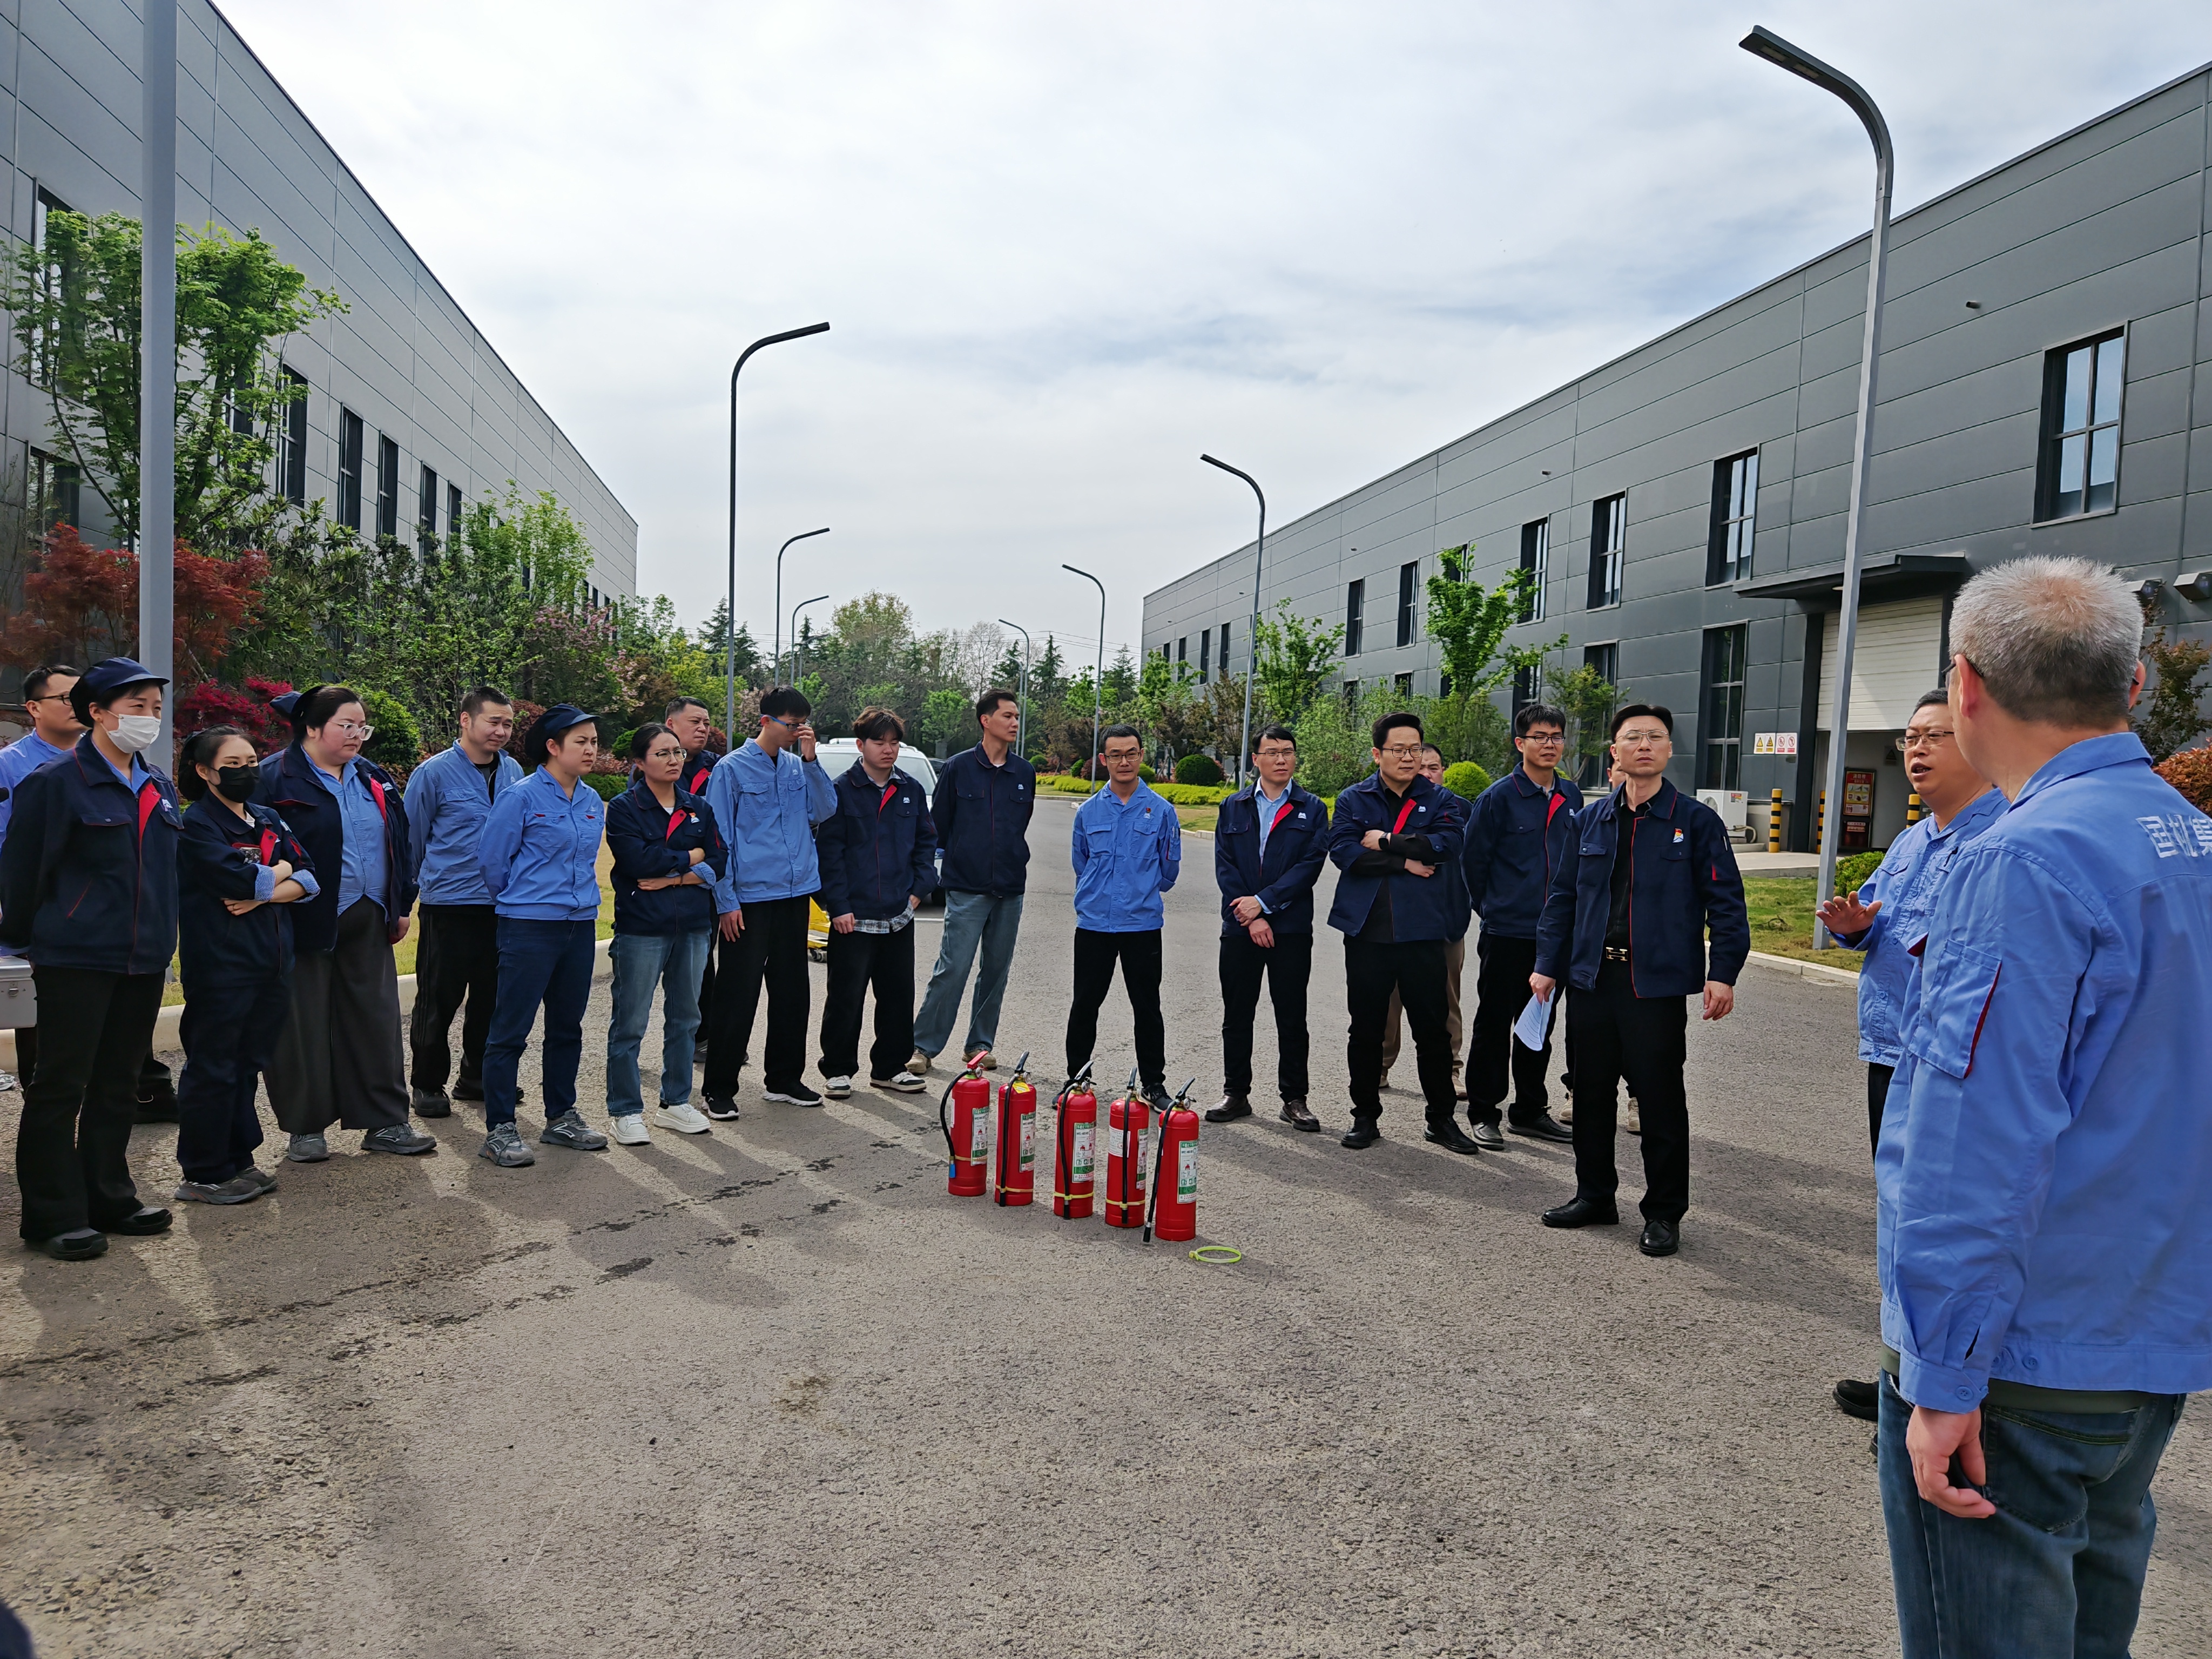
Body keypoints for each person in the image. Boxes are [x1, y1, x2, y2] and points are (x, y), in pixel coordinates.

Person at [1874, 558, 2210, 1659]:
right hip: (2145, 1337)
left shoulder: (2020, 860)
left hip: (2025, 1355)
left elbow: (1971, 1142)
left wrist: (1940, 1374)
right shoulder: (2188, 839)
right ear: (2132, 686)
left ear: (1964, 686)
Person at [1813, 688, 2003, 1424]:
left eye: (1936, 736)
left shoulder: (2001, 841)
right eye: (1910, 737)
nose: (1918, 750)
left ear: (1979, 743)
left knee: (1943, 1228)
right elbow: (1879, 923)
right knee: (1899, 1221)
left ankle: (1941, 1392)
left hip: (1950, 1064)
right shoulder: (1912, 841)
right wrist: (1856, 926)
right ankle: (1902, 1369)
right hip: (1890, 1050)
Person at [1531, 705, 1747, 1256]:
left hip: (1653, 986)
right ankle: (1594, 1195)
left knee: (1658, 1099)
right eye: (1633, 737)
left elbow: (1726, 905)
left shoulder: (1695, 822)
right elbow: (1561, 898)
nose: (1644, 745)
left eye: (1655, 737)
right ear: (1615, 752)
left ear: (1669, 750)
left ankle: (1664, 1212)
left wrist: (1723, 974)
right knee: (1591, 1094)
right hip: (1591, 979)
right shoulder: (1588, 821)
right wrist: (1547, 964)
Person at [0, 658, 183, 1259]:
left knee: (118, 1084)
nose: (149, 717)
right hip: (74, 959)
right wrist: (30, 941)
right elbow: (23, 873)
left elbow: (167, 872)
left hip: (143, 958)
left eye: (155, 708)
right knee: (59, 1086)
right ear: (98, 712)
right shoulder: (54, 782)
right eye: (136, 707)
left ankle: (110, 1196)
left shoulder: (157, 786)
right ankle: (53, 1214)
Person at [257, 686, 434, 1162]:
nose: (358, 735)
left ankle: (386, 1121)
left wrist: (401, 903)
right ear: (312, 728)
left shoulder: (373, 777)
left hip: (369, 913)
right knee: (302, 1025)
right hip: (302, 918)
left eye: (362, 726)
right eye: (346, 725)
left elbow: (401, 840)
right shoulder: (274, 777)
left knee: (376, 1020)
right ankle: (306, 1128)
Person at [171, 726, 319, 1205]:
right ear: (204, 771)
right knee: (214, 1067)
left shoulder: (266, 816)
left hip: (271, 963)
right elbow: (238, 879)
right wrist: (280, 874)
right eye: (233, 765)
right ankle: (204, 1171)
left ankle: (238, 1158)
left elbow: (311, 875)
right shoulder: (198, 825)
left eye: (252, 762)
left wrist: (267, 890)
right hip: (222, 967)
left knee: (247, 1065)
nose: (247, 772)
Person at [1326, 711, 1471, 1151]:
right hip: (1368, 932)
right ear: (1378, 754)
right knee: (1366, 1030)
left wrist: (1386, 840)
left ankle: (1441, 1119)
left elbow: (1447, 845)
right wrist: (1405, 861)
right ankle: (1365, 1116)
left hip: (1423, 932)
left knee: (1433, 1032)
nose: (1408, 757)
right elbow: (1344, 852)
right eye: (1398, 749)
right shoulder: (1355, 799)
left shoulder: (1441, 799)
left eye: (1415, 749)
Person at [475, 705, 611, 1166]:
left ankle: (561, 1117)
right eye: (581, 742)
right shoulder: (520, 797)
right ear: (553, 747)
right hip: (529, 926)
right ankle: (500, 1128)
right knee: (510, 1030)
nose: (591, 750)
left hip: (580, 924)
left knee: (567, 1027)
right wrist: (524, 900)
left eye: (594, 742)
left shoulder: (591, 801)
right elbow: (493, 862)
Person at [702, 685, 837, 1117]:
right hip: (749, 899)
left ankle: (783, 1079)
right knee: (737, 994)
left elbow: (825, 810)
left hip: (794, 895)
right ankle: (719, 1087)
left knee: (793, 992)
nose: (799, 732)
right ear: (766, 721)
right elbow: (719, 839)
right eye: (792, 725)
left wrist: (813, 762)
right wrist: (726, 902)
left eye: (804, 725)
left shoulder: (798, 766)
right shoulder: (731, 769)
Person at [1460, 704, 1581, 1149]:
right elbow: (1473, 864)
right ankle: (1483, 1112)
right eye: (1539, 737)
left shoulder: (1570, 796)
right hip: (1506, 932)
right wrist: (1494, 909)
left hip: (1554, 937)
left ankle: (1529, 1111)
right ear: (1520, 743)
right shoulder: (1497, 797)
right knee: (1494, 1024)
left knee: (1538, 1025)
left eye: (1556, 736)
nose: (1549, 744)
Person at [401, 686, 521, 1117]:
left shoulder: (514, 772)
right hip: (449, 905)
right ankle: (427, 1083)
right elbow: (411, 842)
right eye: (494, 722)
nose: (501, 731)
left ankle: (477, 1078)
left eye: (508, 724)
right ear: (466, 720)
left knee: (492, 997)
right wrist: (403, 903)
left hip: (502, 906)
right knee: (438, 999)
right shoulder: (433, 774)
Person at [603, 723, 726, 1142]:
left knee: (686, 1019)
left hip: (693, 925)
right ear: (640, 762)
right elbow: (639, 863)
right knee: (631, 1022)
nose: (674, 760)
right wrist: (692, 857)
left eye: (678, 753)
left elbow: (719, 860)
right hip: (642, 928)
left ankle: (675, 1103)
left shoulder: (698, 807)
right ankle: (625, 1110)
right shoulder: (625, 808)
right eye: (663, 753)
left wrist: (676, 878)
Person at [1205, 724, 1327, 1131]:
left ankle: (1294, 1099)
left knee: (1292, 1015)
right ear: (1255, 759)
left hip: (1290, 928)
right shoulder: (1233, 806)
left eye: (1287, 752)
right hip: (1240, 926)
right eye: (1272, 752)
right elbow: (1226, 866)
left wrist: (1265, 904)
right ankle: (1235, 1093)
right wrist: (1252, 915)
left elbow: (1309, 867)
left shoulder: (1312, 808)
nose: (1281, 759)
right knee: (1237, 1013)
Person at [911, 687, 1034, 1075]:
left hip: (1010, 888)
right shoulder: (958, 768)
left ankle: (979, 1045)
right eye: (1007, 716)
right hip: (967, 887)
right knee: (953, 968)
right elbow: (938, 828)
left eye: (1017, 717)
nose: (1014, 723)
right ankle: (923, 1046)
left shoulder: (1024, 773)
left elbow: (1019, 827)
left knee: (996, 972)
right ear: (986, 720)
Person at [817, 708, 938, 1097]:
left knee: (898, 997)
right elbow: (829, 854)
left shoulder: (910, 789)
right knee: (846, 998)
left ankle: (890, 1068)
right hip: (853, 916)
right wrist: (837, 905)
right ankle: (838, 1070)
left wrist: (919, 889)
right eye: (879, 742)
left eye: (894, 743)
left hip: (899, 915)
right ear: (861, 745)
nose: (888, 750)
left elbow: (926, 843)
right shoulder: (841, 790)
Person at [1065, 724, 1181, 1104]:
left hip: (1142, 924)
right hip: (1095, 924)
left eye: (1131, 753)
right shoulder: (1088, 812)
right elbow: (1081, 863)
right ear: (1104, 760)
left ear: (1141, 755)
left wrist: (1137, 890)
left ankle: (1154, 1084)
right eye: (1115, 755)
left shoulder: (1161, 811)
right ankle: (1077, 1079)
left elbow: (1168, 871)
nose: (1124, 761)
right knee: (1085, 1004)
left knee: (1147, 1007)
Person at [0, 663, 80, 1098]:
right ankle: (41, 1110)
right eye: (65, 698)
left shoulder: (105, 761)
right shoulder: (10, 767)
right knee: (40, 1019)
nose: (77, 705)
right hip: (37, 910)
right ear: (33, 708)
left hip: (95, 912)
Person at [1378, 743, 1471, 1101]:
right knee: (1388, 997)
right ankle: (1379, 1065)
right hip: (1396, 919)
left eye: (1435, 767)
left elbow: (1476, 862)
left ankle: (1451, 1069)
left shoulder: (1461, 808)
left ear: (1443, 771)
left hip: (1446, 919)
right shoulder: (1390, 807)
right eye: (1422, 768)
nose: (1428, 774)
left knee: (1446, 998)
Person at [663, 694, 723, 1039]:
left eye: (706, 722)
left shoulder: (719, 768)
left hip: (705, 885)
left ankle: (704, 1036)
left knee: (702, 961)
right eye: (695, 722)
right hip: (659, 884)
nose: (703, 728)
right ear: (671, 724)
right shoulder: (650, 767)